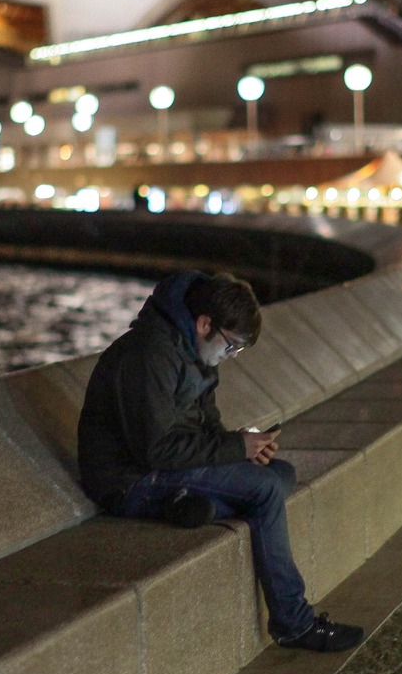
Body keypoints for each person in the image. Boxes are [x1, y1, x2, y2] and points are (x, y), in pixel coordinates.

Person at [78, 271, 364, 653]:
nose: (229, 358)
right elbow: (156, 450)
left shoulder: (195, 352)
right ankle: (294, 623)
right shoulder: (148, 354)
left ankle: (185, 504)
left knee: (280, 474)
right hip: (130, 478)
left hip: (165, 468)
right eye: (231, 347)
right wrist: (234, 449)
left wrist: (241, 444)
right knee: (263, 492)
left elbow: (206, 428)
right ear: (204, 323)